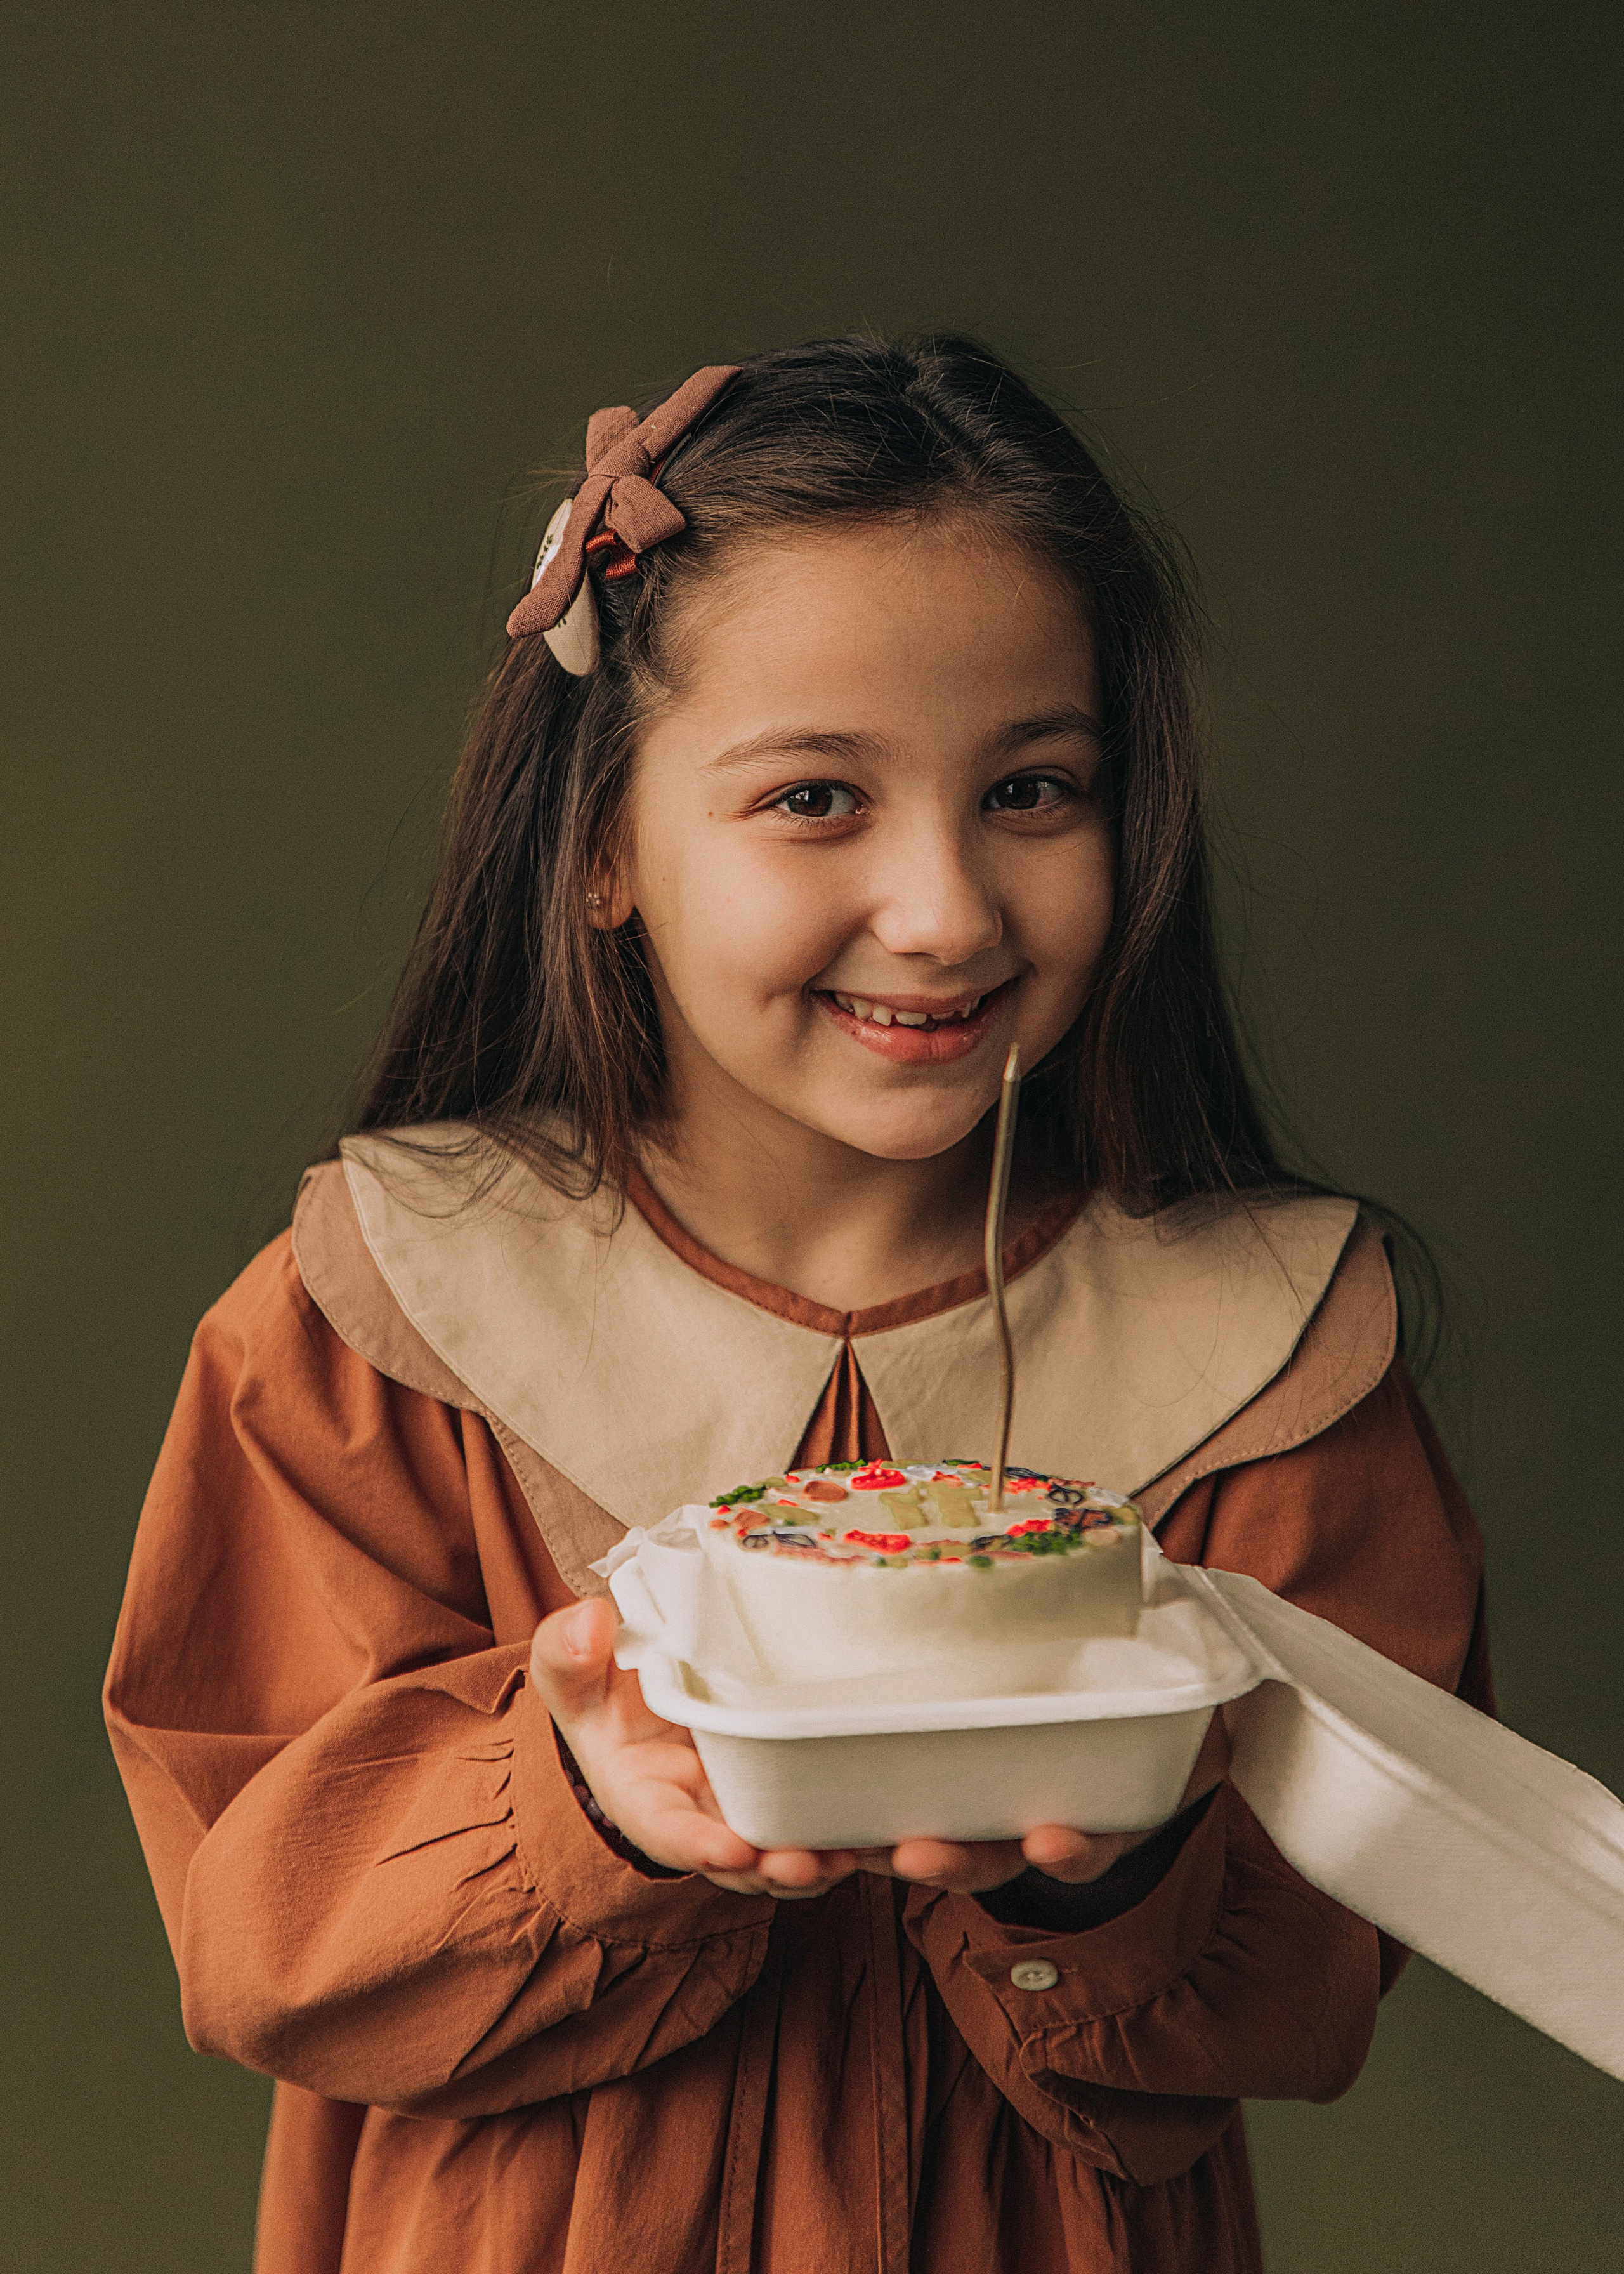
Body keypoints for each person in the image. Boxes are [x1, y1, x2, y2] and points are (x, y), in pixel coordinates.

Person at [105, 336, 1492, 2274]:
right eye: (817, 797)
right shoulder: (377, 1326)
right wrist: (573, 1796)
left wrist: (1123, 1876)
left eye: (1031, 787)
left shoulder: (1266, 1354)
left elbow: (1336, 1961)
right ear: (602, 845)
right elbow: (263, 1933)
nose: (942, 907)